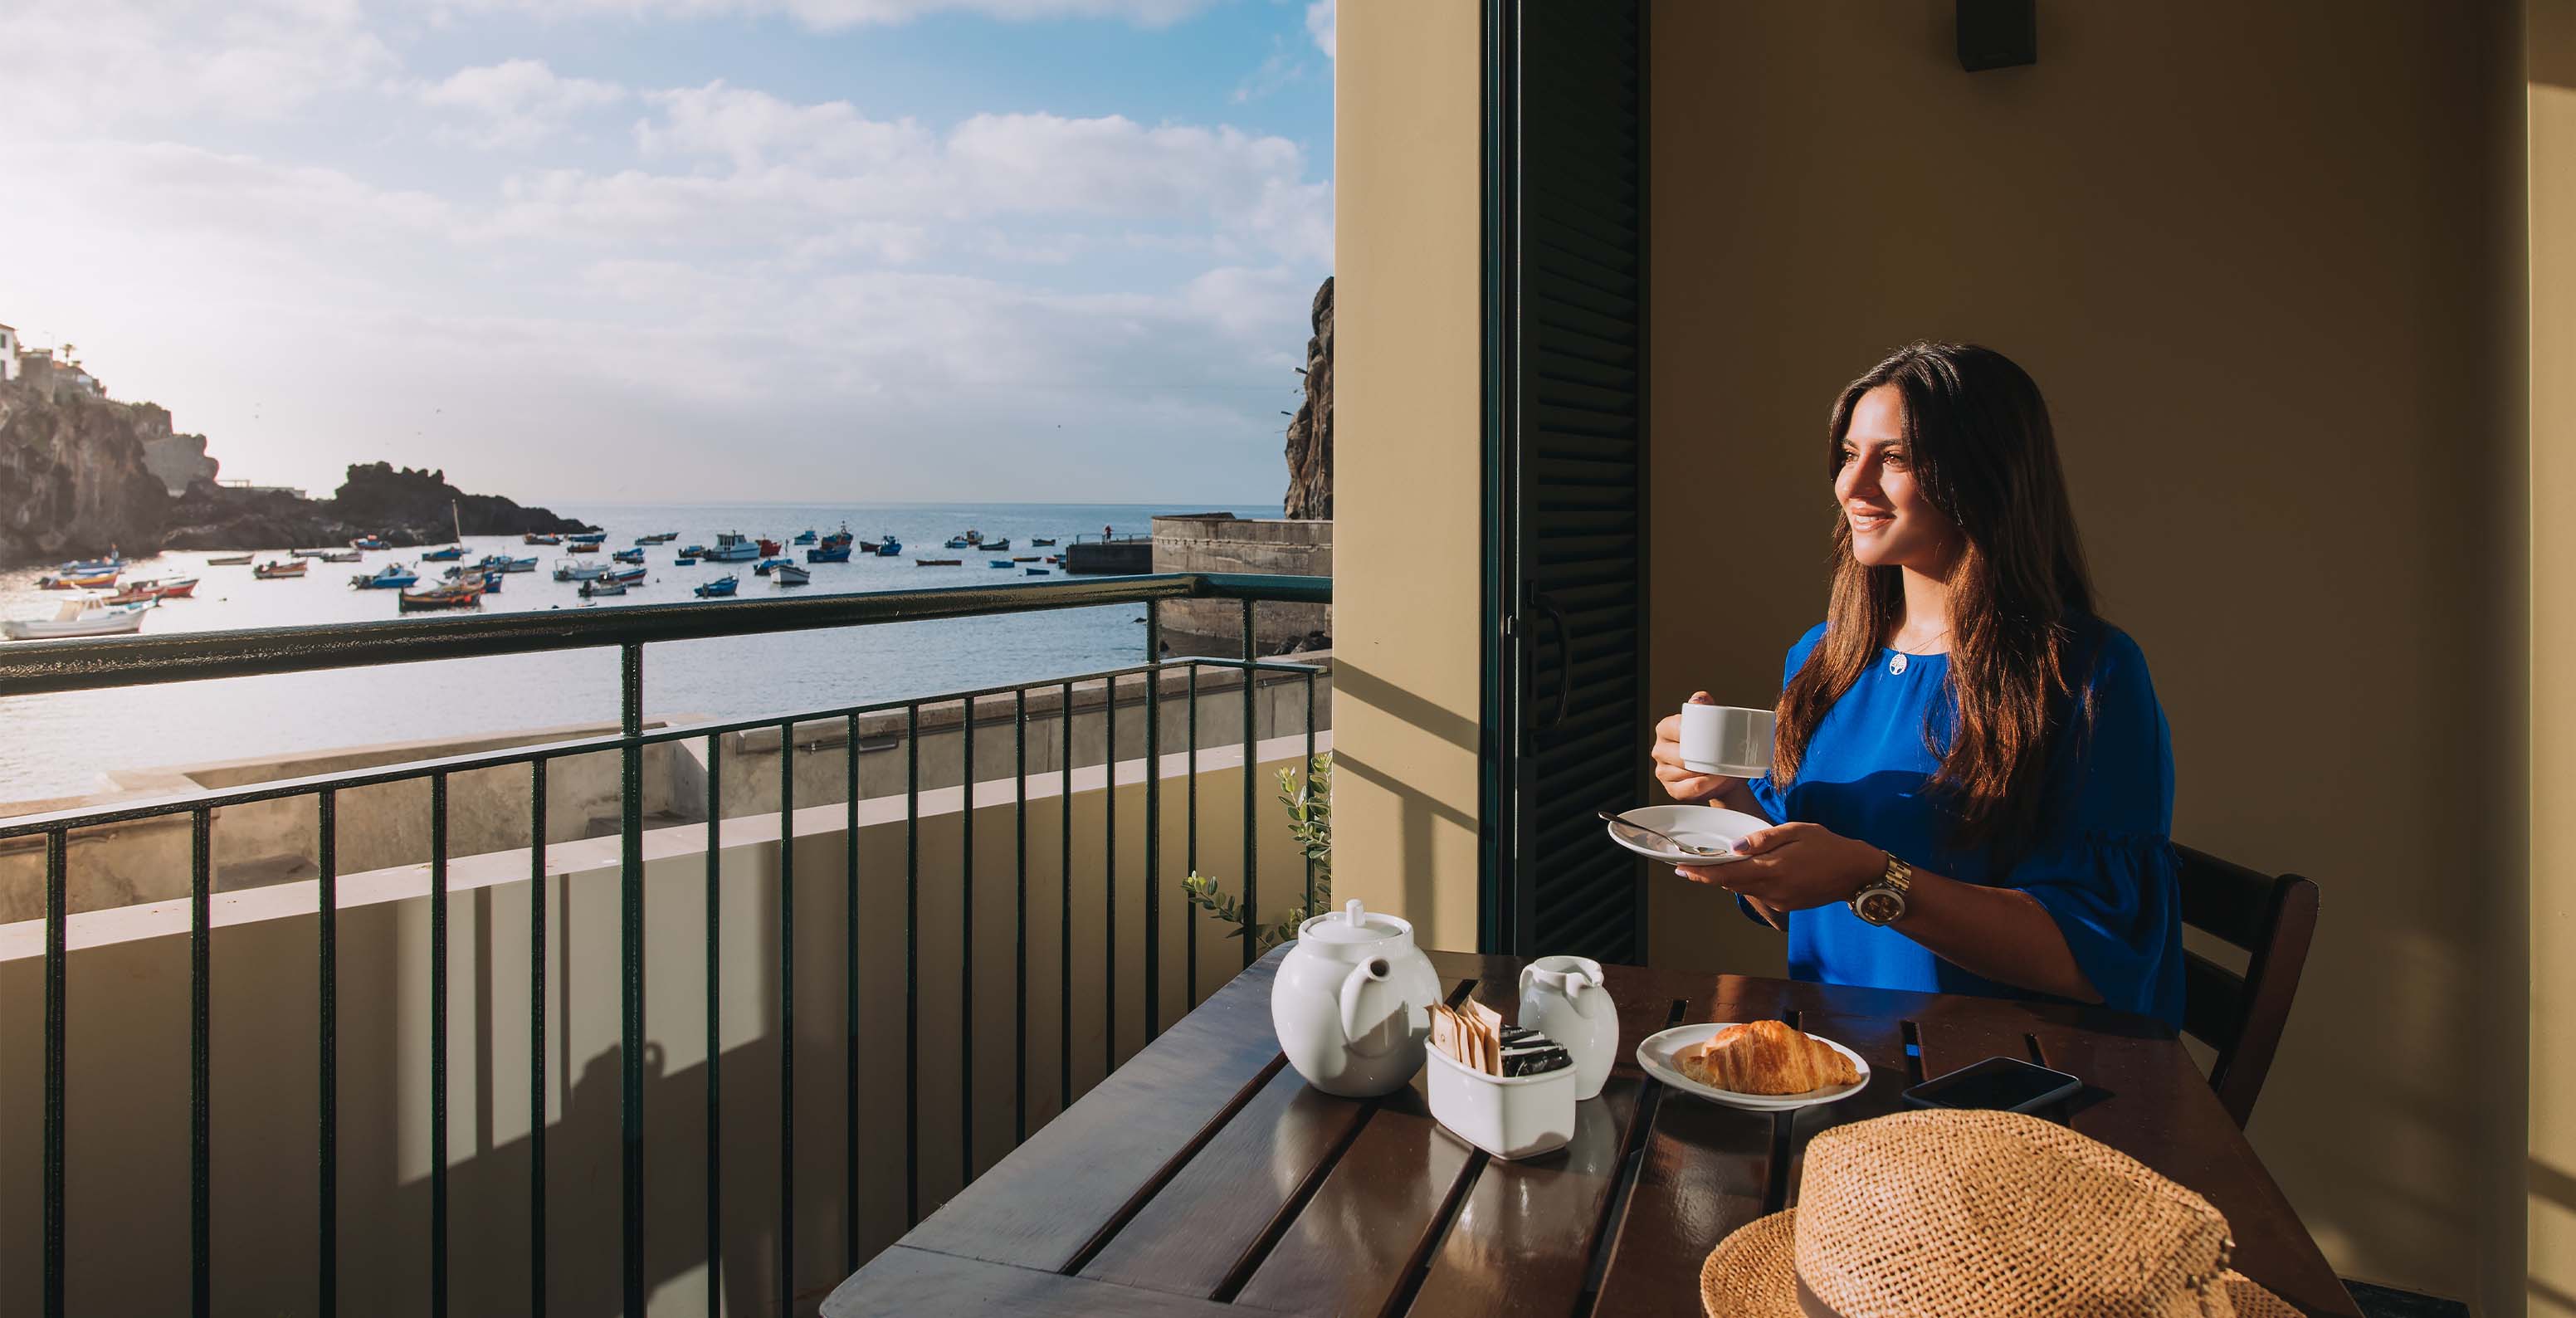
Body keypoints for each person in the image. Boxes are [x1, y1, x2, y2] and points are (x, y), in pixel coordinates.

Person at [1649, 341, 2183, 1024]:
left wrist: (1870, 875)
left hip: (1995, 1080)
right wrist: (1723, 795)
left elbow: (2094, 958)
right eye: (1848, 454)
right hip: (1832, 1056)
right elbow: (1786, 906)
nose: (1852, 485)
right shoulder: (1823, 658)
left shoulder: (2088, 673)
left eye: (1894, 458)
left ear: (1984, 474)